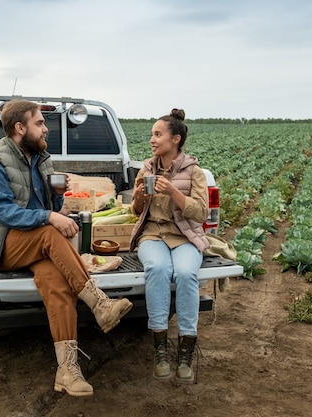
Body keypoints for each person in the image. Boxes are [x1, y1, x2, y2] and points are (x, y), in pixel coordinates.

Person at [0, 99, 132, 397]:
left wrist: (57, 197)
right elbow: (4, 212)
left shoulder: (42, 159)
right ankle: (100, 303)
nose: (46, 130)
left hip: (33, 241)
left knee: (56, 282)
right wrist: (50, 216)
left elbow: (47, 208)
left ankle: (67, 371)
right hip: (0, 241)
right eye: (40, 123)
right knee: (50, 233)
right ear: (20, 128)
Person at [129, 108, 209, 384]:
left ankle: (186, 349)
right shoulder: (147, 168)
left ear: (175, 139)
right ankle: (160, 347)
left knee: (186, 274)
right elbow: (136, 211)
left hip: (184, 236)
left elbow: (200, 213)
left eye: (157, 134)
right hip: (152, 235)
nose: (152, 139)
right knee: (158, 268)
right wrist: (138, 197)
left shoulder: (194, 172)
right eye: (152, 134)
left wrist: (173, 191)